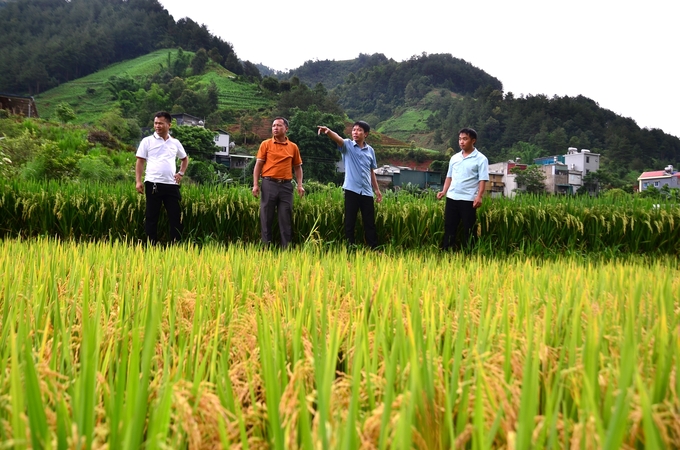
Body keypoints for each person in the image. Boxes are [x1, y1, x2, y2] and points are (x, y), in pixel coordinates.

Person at [317, 121, 382, 249]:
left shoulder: (370, 151)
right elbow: (338, 139)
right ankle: (350, 247)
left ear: (366, 134)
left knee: (369, 222)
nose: (355, 132)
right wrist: (328, 131)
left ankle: (373, 248)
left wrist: (377, 190)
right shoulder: (348, 145)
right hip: (351, 190)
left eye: (359, 130)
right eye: (354, 130)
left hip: (367, 192)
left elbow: (371, 171)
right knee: (349, 221)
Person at [135, 111, 189, 244]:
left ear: (169, 125)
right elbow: (140, 161)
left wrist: (181, 173)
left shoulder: (175, 143)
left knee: (175, 216)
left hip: (171, 185)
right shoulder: (147, 141)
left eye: (160, 123)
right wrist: (138, 181)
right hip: (153, 183)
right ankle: (151, 245)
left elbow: (184, 159)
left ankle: (176, 244)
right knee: (151, 216)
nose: (157, 126)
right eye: (155, 123)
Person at [252, 117, 304, 249]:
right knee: (266, 217)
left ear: (286, 129)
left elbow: (297, 167)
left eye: (279, 125)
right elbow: (258, 165)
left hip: (286, 186)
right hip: (269, 183)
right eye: (273, 125)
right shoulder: (266, 144)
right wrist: (256, 184)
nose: (275, 128)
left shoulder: (293, 147)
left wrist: (300, 185)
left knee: (285, 217)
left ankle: (286, 249)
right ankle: (266, 248)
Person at [436, 127, 489, 251]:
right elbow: (449, 177)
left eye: (465, 139)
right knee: (449, 226)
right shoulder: (454, 158)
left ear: (473, 141)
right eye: (460, 139)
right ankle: (447, 251)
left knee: (469, 228)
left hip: (468, 199)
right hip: (452, 197)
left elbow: (483, 179)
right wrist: (444, 191)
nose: (461, 142)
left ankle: (469, 253)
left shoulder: (481, 159)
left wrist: (479, 196)